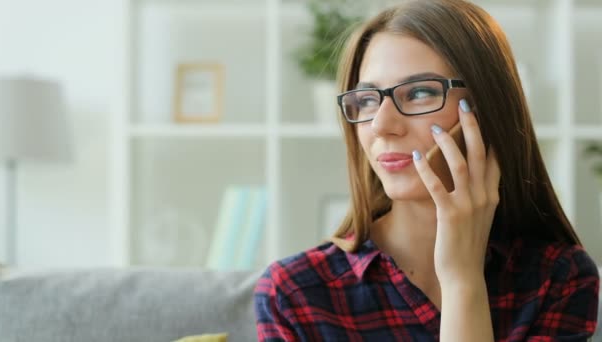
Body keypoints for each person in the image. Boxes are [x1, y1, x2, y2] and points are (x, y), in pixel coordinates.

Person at [254, 0, 600, 340]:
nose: (381, 125)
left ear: (487, 109)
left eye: (419, 92)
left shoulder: (558, 278)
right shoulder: (293, 294)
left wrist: (462, 279)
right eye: (367, 100)